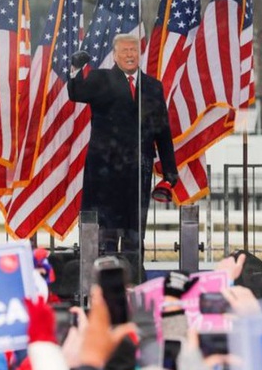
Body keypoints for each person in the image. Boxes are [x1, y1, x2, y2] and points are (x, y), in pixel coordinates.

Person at [67, 34, 178, 281]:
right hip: (104, 172)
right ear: (115, 55)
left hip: (138, 171)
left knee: (134, 231)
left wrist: (170, 171)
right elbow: (76, 94)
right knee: (104, 230)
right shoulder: (100, 79)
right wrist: (76, 68)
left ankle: (134, 279)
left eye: (134, 50)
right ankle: (100, 281)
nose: (130, 55)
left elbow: (162, 129)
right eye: (125, 50)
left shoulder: (152, 86)